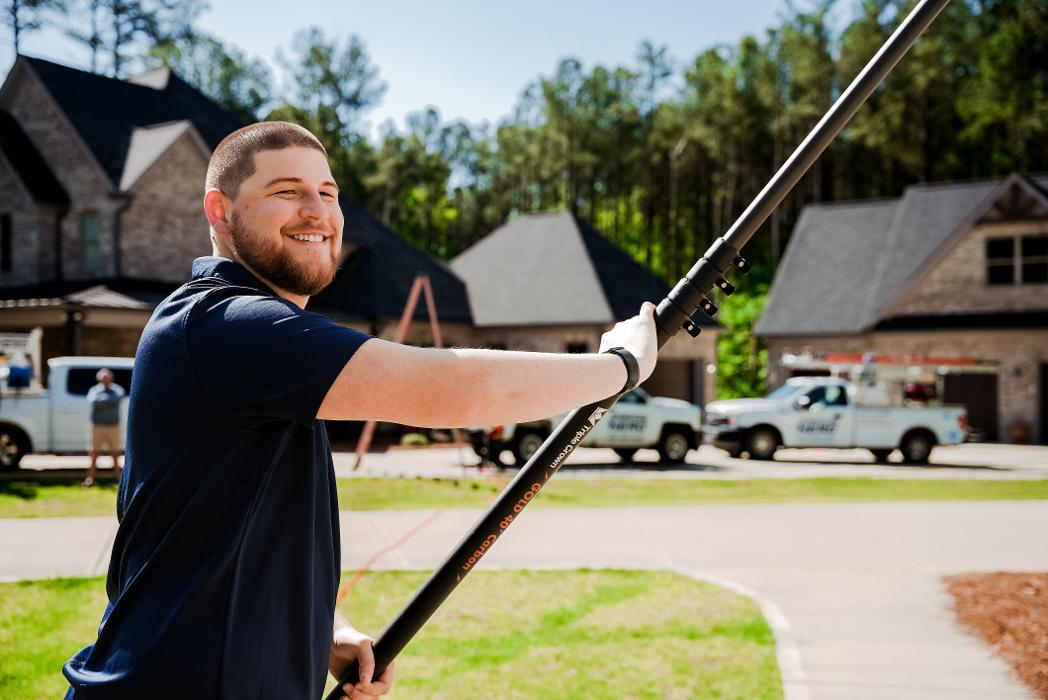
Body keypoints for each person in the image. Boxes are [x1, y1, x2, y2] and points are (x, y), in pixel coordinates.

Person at [62, 121, 658, 700]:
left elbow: (229, 540)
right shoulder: (227, 325)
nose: (317, 212)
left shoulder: (252, 344)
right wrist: (620, 367)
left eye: (327, 193)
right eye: (286, 191)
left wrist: (326, 633)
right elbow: (455, 388)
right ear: (219, 210)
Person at [82, 368, 125, 488]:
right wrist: (108, 401)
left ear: (111, 379)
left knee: (115, 453)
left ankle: (120, 480)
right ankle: (89, 479)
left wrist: (102, 401)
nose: (106, 381)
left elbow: (117, 399)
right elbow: (93, 401)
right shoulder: (94, 390)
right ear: (99, 380)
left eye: (108, 378)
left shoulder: (117, 389)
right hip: (98, 426)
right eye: (103, 379)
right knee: (94, 453)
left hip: (113, 426)